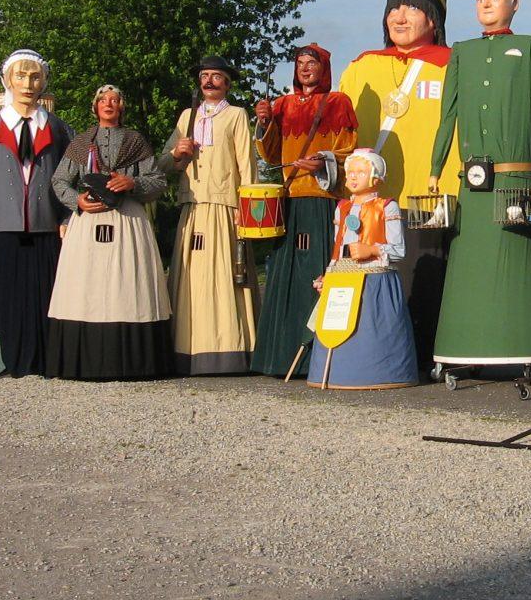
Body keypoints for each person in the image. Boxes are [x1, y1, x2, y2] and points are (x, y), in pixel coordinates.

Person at [428, 0, 531, 373]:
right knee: (472, 263)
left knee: (518, 260)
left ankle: (529, 344)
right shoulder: (461, 52)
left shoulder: (530, 46)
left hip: (517, 178)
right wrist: (436, 166)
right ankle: (464, 348)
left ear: (514, 3)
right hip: (474, 182)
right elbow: (447, 112)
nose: (485, 5)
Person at [336, 0, 459, 364]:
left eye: (412, 7)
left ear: (434, 19)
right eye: (393, 7)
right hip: (371, 198)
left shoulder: (453, 65)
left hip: (431, 193)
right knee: (367, 273)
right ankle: (370, 355)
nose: (400, 16)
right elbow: (340, 131)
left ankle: (423, 357)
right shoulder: (363, 66)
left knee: (425, 274)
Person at [44, 85, 171, 380]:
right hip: (88, 223)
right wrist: (76, 200)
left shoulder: (136, 142)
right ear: (95, 106)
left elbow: (158, 180)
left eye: (115, 100)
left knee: (127, 283)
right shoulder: (80, 143)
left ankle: (134, 362)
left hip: (128, 221)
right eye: (103, 100)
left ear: (122, 107)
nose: (109, 104)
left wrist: (132, 184)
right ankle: (84, 360)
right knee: (87, 285)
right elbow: (60, 180)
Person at [0, 50, 71, 379]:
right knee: (4, 298)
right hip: (1, 228)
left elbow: (67, 177)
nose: (28, 84)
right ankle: (1, 360)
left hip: (44, 227)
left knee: (44, 296)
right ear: (7, 80)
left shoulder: (58, 128)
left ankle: (45, 359)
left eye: (35, 77)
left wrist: (66, 219)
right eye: (21, 76)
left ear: (44, 82)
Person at [250, 44, 357, 377]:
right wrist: (264, 122)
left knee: (317, 270)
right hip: (291, 196)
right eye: (300, 64)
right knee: (286, 273)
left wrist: (321, 160)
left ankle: (318, 358)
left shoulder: (339, 102)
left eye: (312, 63)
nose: (305, 69)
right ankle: (278, 357)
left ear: (324, 68)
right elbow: (269, 154)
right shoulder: (280, 105)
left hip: (321, 198)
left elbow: (347, 149)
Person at [162, 57, 259, 375]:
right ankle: (187, 350)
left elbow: (247, 164)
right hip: (192, 205)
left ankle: (230, 350)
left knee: (225, 278)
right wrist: (178, 154)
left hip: (225, 206)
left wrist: (248, 210)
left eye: (216, 77)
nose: (209, 82)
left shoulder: (236, 115)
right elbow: (163, 165)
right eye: (204, 76)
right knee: (191, 279)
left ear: (227, 83)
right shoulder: (186, 116)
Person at [305, 150, 419, 389]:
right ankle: (334, 374)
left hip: (373, 279)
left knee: (368, 330)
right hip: (344, 277)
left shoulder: (387, 207)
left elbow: (398, 249)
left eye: (361, 172)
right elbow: (338, 247)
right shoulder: (342, 208)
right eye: (350, 173)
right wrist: (329, 273)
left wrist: (372, 250)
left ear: (375, 177)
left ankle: (376, 373)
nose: (353, 178)